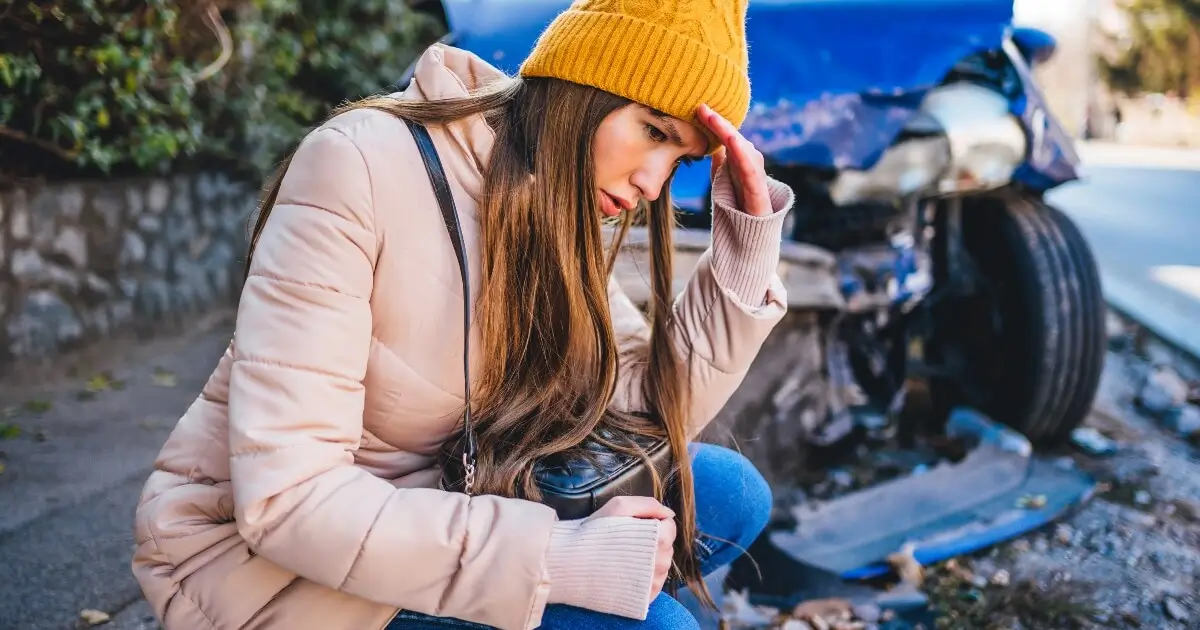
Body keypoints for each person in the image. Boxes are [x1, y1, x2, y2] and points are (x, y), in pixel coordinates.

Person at [131, 1, 794, 628]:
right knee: (661, 624)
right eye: (653, 132)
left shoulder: (555, 201)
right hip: (268, 572)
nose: (655, 184)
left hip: (447, 502)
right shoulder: (358, 164)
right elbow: (288, 502)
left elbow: (641, 409)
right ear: (582, 86)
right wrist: (557, 561)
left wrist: (744, 250)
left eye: (679, 160)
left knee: (729, 494)